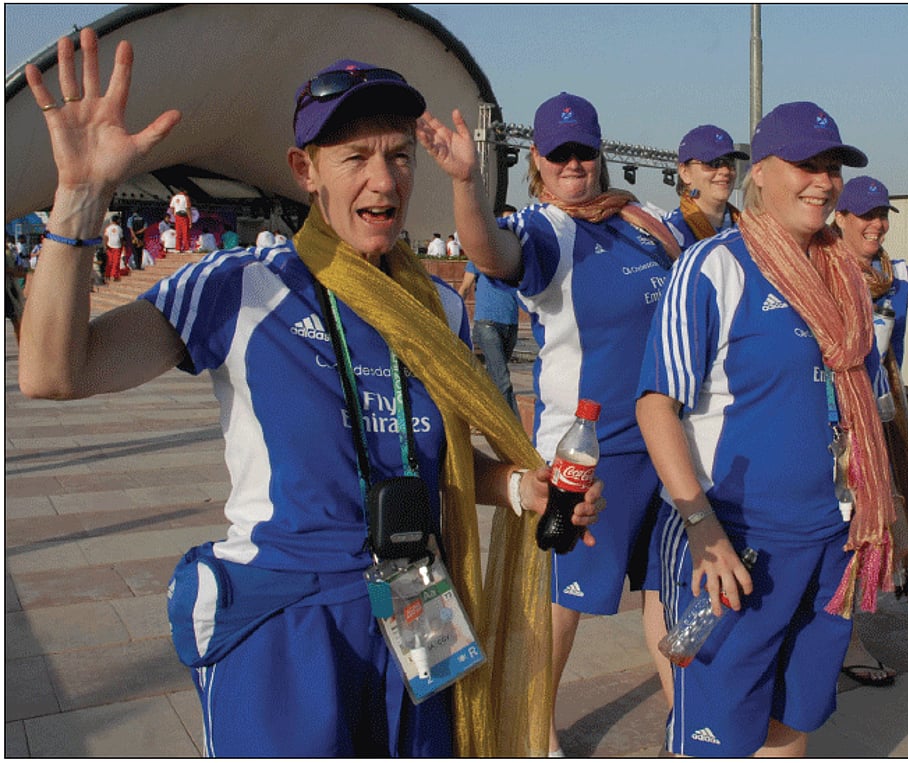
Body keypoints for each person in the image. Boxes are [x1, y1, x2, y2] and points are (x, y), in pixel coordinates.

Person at [19, 31, 603, 757]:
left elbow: (439, 463)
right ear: (306, 171)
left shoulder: (440, 311)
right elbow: (52, 371)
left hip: (419, 605)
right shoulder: (240, 288)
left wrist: (521, 486)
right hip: (288, 610)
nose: (383, 181)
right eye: (355, 158)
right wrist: (78, 198)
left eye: (397, 154)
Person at [418, 91, 683, 755]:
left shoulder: (642, 220)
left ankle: (690, 718)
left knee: (663, 592)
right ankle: (535, 725)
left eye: (582, 151)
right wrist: (466, 184)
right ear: (536, 159)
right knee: (559, 608)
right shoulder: (544, 231)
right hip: (588, 460)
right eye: (557, 152)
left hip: (664, 445)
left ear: (600, 154)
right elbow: (488, 252)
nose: (572, 163)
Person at [636, 101, 892, 757]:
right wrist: (700, 524)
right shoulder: (713, 267)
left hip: (831, 542)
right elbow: (655, 403)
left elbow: (867, 409)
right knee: (713, 740)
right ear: (762, 173)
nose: (823, 180)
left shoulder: (848, 283)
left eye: (832, 167)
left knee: (790, 726)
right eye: (806, 164)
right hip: (732, 544)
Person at [832, 176, 908, 687]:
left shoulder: (893, 274)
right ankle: (820, 635)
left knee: (864, 532)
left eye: (883, 215)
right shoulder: (818, 267)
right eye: (865, 215)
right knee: (836, 534)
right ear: (841, 218)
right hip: (830, 425)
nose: (877, 224)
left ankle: (847, 639)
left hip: (878, 424)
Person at [457, 208, 520, 414]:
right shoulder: (481, 254)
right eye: (505, 220)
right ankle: (513, 433)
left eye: (513, 220)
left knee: (494, 378)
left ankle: (479, 416)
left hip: (510, 324)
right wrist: (451, 317)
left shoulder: (519, 255)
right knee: (502, 379)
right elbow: (465, 287)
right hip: (487, 324)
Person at [665, 124, 748, 249]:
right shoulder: (668, 234)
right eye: (712, 163)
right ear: (685, 173)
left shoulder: (750, 231)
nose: (725, 171)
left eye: (730, 163)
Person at [103, 214, 125, 281]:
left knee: (109, 262)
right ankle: (115, 276)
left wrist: (105, 245)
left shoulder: (108, 228)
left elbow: (105, 237)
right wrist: (122, 246)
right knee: (116, 262)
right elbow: (121, 238)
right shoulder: (119, 228)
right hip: (117, 247)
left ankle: (107, 276)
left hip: (109, 246)